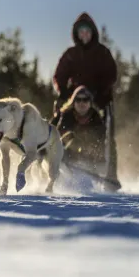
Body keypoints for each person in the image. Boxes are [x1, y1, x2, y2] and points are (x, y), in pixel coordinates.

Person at [52, 12, 119, 186]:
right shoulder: (71, 54)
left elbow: (111, 75)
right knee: (58, 124)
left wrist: (101, 93)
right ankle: (55, 156)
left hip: (98, 99)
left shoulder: (102, 52)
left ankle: (110, 173)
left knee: (107, 135)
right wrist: (64, 93)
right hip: (74, 99)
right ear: (76, 34)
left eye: (87, 31)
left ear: (93, 33)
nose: (84, 35)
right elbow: (59, 76)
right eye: (81, 31)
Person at [56, 86, 106, 171]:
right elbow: (58, 137)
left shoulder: (96, 119)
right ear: (73, 102)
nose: (81, 103)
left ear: (90, 102)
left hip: (90, 159)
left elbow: (100, 142)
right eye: (78, 100)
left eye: (85, 100)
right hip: (67, 156)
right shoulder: (67, 116)